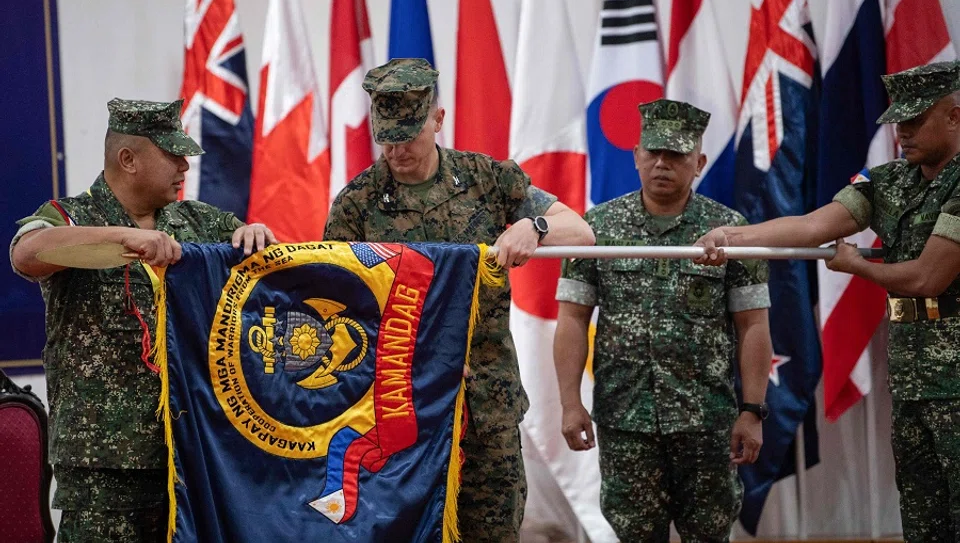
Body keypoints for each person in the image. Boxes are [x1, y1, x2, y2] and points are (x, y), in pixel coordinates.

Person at [323, 58, 595, 542]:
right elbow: (338, 306)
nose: (397, 150)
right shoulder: (356, 203)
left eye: (408, 135)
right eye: (387, 138)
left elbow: (581, 231)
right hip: (399, 411)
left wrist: (533, 226)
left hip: (486, 402)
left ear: (438, 119)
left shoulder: (486, 179)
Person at [696, 61, 960, 542]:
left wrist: (859, 266)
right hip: (913, 379)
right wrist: (729, 236)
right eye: (898, 121)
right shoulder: (890, 181)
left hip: (955, 380)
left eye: (915, 120)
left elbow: (927, 277)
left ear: (954, 116)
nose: (902, 132)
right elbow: (812, 226)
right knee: (924, 516)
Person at [10, 98, 276, 543]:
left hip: (190, 453)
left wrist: (255, 234)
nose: (184, 166)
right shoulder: (74, 216)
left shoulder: (196, 221)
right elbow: (26, 253)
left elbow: (260, 265)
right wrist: (123, 237)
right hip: (104, 468)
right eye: (172, 155)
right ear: (128, 159)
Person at [554, 99, 773, 541]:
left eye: (675, 154)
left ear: (699, 163)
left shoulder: (730, 230)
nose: (661, 163)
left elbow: (753, 326)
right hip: (625, 420)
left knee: (709, 533)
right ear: (636, 155)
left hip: (706, 421)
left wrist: (752, 411)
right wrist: (570, 403)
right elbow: (573, 319)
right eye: (653, 152)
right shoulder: (597, 230)